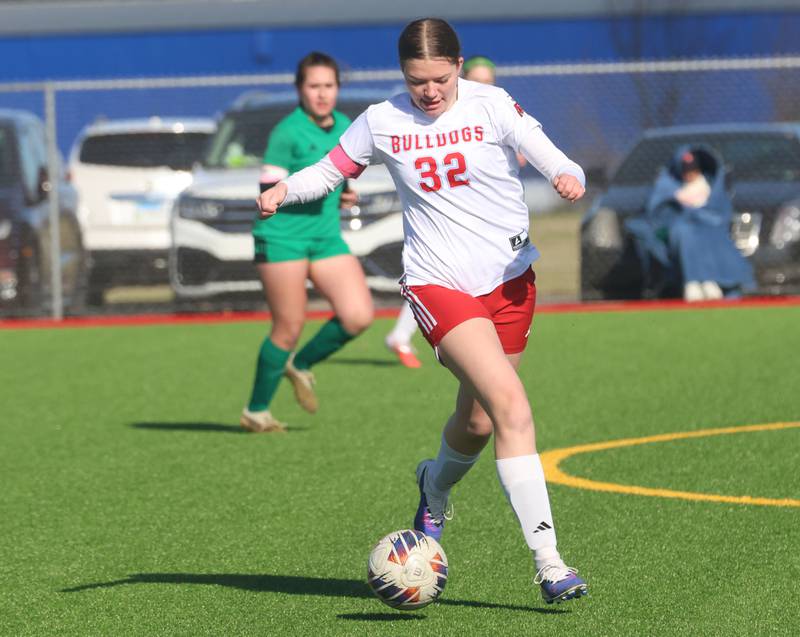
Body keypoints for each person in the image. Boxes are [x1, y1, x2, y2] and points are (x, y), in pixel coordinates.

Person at [257, 18, 588, 604]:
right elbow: (330, 171)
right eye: (417, 82)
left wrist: (566, 175)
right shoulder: (383, 120)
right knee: (511, 406)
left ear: (458, 65)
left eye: (438, 79)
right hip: (438, 286)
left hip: (511, 284)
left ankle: (433, 486)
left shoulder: (492, 105)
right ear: (402, 75)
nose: (429, 92)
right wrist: (285, 190)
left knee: (481, 422)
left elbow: (558, 159)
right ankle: (550, 563)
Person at [241, 51, 373, 433]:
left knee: (358, 315)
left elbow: (342, 178)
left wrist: (347, 194)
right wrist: (282, 196)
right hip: (281, 238)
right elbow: (269, 191)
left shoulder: (346, 124)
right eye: (313, 86)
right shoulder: (286, 132)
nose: (321, 94)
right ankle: (256, 411)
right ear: (299, 89)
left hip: (325, 237)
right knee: (288, 326)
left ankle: (300, 365)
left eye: (328, 86)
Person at [627, 146, 754, 301]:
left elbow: (719, 214)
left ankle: (709, 281)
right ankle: (693, 282)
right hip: (680, 231)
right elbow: (657, 214)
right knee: (685, 231)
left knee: (705, 233)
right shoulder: (670, 187)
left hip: (709, 230)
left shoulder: (711, 186)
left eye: (693, 168)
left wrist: (699, 215)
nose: (690, 172)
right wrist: (680, 205)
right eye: (686, 168)